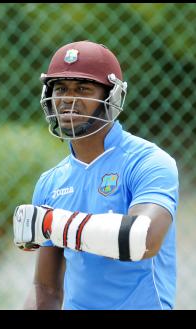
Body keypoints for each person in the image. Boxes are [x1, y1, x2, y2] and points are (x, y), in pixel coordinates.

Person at [12, 40, 179, 310]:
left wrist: (54, 224)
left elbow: (142, 239)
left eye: (83, 88)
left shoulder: (149, 162)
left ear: (111, 98)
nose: (68, 99)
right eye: (61, 88)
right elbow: (46, 287)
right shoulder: (51, 182)